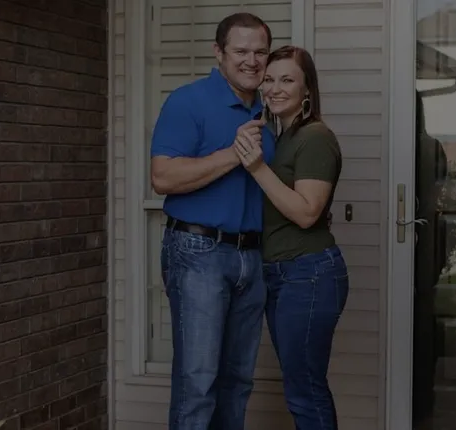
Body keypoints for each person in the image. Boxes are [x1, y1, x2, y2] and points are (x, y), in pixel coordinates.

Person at [149, 12, 275, 430]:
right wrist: (234, 154)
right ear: (218, 52)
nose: (251, 61)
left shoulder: (268, 110)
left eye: (260, 52)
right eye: (241, 51)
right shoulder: (188, 101)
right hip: (198, 252)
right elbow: (163, 177)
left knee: (237, 384)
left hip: (251, 257)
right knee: (198, 384)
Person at [233, 45, 349, 430]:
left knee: (305, 390)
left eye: (287, 80)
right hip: (283, 274)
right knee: (300, 386)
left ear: (306, 90)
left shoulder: (315, 137)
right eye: (269, 79)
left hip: (309, 274)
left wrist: (257, 168)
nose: (274, 88)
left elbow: (306, 212)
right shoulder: (283, 137)